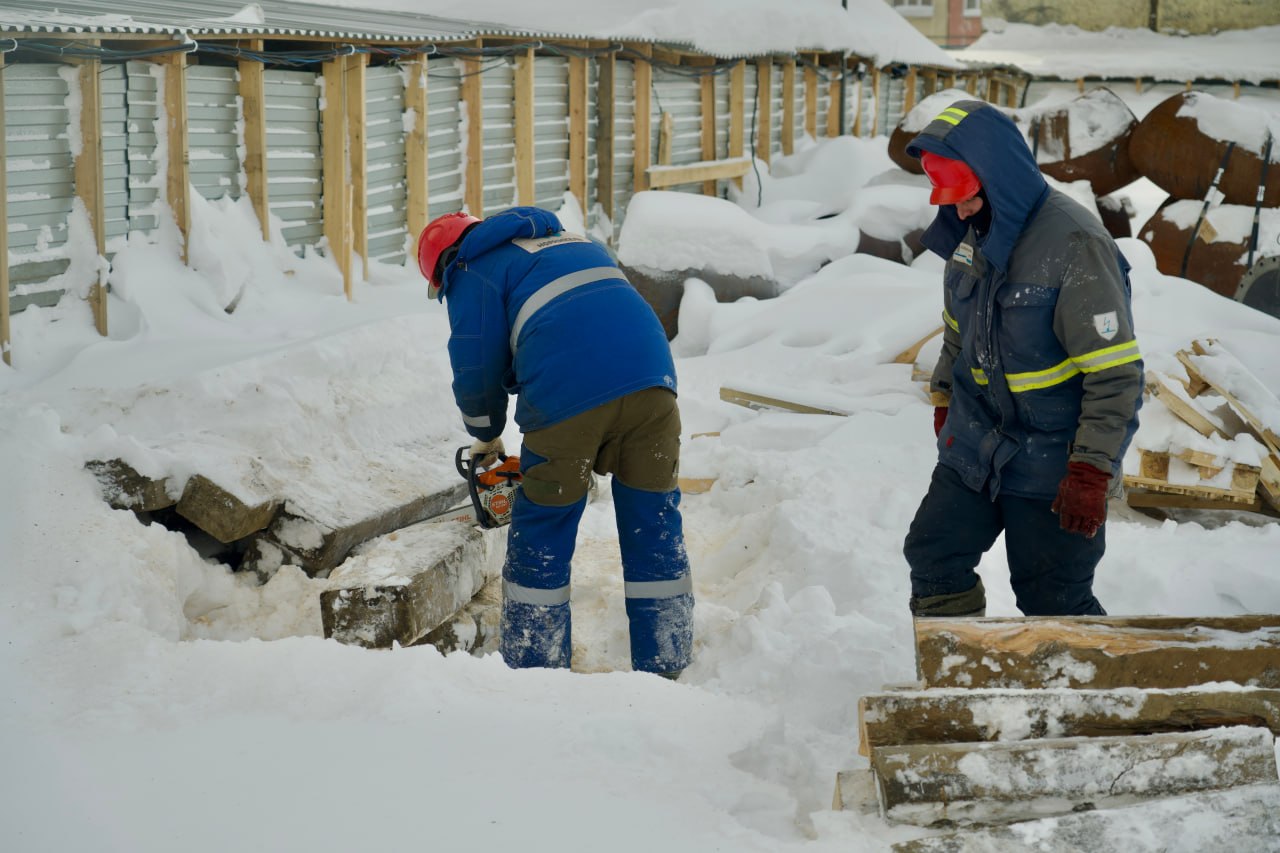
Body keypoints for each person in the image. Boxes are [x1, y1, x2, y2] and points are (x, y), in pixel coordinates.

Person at [416, 206, 693, 677]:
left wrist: (486, 435)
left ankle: (536, 670)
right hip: (653, 385)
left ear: (444, 267)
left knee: (544, 523)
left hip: (569, 395)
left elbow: (475, 366)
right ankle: (667, 660)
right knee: (654, 518)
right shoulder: (574, 242)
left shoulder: (471, 268)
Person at [901, 99, 1144, 618]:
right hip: (976, 443)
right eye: (951, 201)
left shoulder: (1076, 245)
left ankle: (1075, 673)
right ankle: (959, 662)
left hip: (1054, 460)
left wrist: (1091, 470)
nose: (960, 213)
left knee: (1052, 598)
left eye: (968, 197)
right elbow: (956, 331)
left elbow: (1116, 375)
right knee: (933, 557)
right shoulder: (969, 234)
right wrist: (945, 397)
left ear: (999, 179)